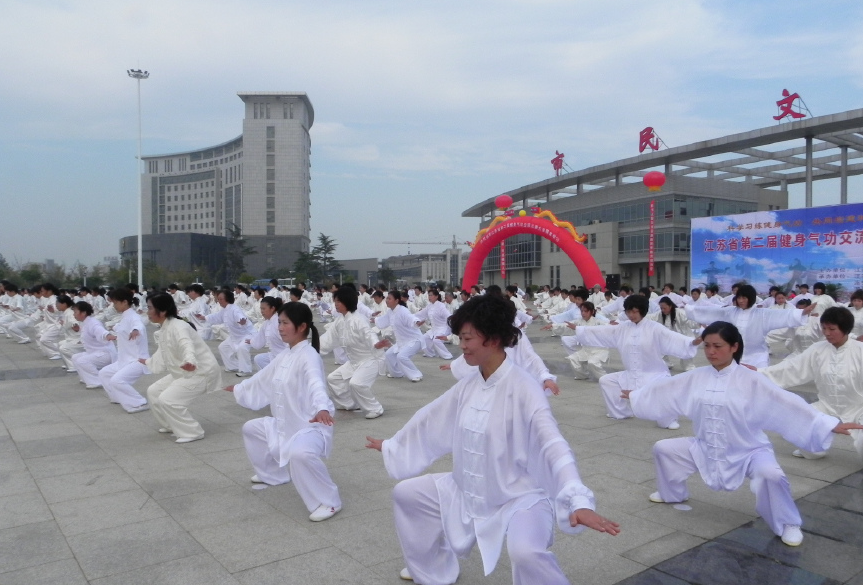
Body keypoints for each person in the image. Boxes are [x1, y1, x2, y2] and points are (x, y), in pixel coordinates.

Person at [366, 294, 619, 584]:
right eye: (460, 338)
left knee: (526, 553)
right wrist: (392, 445)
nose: (461, 346)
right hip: (468, 488)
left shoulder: (524, 389)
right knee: (407, 494)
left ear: (494, 339)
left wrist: (577, 499)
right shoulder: (470, 385)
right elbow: (432, 418)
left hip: (516, 496)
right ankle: (433, 566)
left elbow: (553, 443)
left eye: (467, 338)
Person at [625, 321, 863, 547]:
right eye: (707, 345)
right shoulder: (696, 377)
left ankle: (787, 523)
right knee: (664, 448)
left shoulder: (751, 380)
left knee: (771, 475)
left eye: (717, 346)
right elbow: (666, 388)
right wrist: (637, 395)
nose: (710, 352)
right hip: (706, 447)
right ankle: (672, 493)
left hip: (749, 451)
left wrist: (826, 424)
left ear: (734, 347)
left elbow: (785, 402)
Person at [226, 302, 342, 522]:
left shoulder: (308, 355)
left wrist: (322, 408)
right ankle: (274, 475)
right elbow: (263, 377)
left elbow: (317, 383)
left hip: (310, 427)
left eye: (285, 323)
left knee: (300, 454)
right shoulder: (285, 355)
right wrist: (240, 388)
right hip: (286, 425)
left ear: (301, 326)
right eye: (279, 322)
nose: (280, 327)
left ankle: (330, 502)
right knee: (251, 428)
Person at [570, 295, 700, 429]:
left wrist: (691, 342)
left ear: (642, 311)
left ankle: (667, 419)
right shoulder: (623, 328)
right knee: (606, 381)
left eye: (635, 311)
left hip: (654, 373)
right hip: (631, 373)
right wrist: (580, 330)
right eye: (628, 311)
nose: (631, 315)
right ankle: (621, 412)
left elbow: (672, 338)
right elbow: (603, 332)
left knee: (663, 390)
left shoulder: (654, 328)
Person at [756, 306, 863, 461]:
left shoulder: (860, 351)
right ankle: (814, 449)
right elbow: (791, 368)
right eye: (824, 328)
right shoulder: (818, 349)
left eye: (832, 329)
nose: (826, 333)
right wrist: (758, 373)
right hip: (827, 405)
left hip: (858, 408)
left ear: (845, 329)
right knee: (798, 420)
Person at [141, 293, 222, 443]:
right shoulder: (165, 327)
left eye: (150, 308)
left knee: (168, 399)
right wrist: (147, 361)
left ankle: (192, 432)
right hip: (184, 370)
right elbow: (163, 352)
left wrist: (190, 361)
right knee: (153, 391)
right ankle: (170, 424)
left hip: (200, 372)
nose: (148, 312)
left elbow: (187, 346)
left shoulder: (178, 327)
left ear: (163, 311)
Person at [685, 284, 811, 368]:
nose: (741, 301)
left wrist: (801, 313)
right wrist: (690, 310)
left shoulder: (762, 314)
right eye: (739, 298)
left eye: (744, 298)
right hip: (734, 356)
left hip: (757, 356)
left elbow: (782, 315)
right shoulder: (730, 311)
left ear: (751, 298)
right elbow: (712, 312)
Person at [319, 287, 385, 419]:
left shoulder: (359, 320)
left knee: (356, 383)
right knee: (333, 379)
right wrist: (312, 348)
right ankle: (349, 404)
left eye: (339, 301)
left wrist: (376, 344)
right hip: (354, 362)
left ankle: (375, 408)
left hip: (371, 359)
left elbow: (369, 334)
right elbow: (327, 339)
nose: (336, 304)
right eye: (335, 301)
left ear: (347, 302)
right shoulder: (339, 321)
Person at [98, 288, 150, 413]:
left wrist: (135, 330)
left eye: (115, 303)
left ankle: (140, 403)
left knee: (117, 380)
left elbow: (138, 325)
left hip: (138, 360)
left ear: (125, 302)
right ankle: (117, 397)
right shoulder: (125, 317)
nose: (114, 306)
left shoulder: (133, 316)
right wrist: (114, 328)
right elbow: (122, 328)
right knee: (104, 373)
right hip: (125, 359)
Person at [201, 290, 256, 377]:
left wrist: (241, 321)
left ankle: (246, 370)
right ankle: (233, 366)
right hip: (235, 336)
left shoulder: (234, 309)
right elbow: (216, 317)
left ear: (227, 299)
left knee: (242, 348)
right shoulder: (225, 310)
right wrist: (205, 317)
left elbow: (240, 317)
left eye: (221, 299)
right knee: (223, 347)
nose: (219, 301)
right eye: (218, 299)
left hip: (247, 334)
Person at [374, 290, 424, 382]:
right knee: (389, 354)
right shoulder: (390, 312)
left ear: (396, 301)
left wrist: (417, 322)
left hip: (414, 340)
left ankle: (416, 375)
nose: (387, 300)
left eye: (389, 299)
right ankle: (396, 373)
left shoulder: (403, 310)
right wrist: (374, 320)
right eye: (387, 298)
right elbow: (382, 321)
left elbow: (411, 318)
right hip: (402, 341)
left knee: (401, 356)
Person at [70, 301, 117, 389]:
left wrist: (108, 335)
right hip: (95, 352)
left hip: (105, 354)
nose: (74, 314)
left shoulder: (93, 323)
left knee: (82, 361)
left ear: (83, 313)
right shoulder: (85, 322)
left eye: (75, 312)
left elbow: (100, 331)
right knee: (75, 357)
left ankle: (98, 381)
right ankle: (86, 378)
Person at [649, 296, 700, 371]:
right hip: (668, 338)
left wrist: (699, 322)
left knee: (686, 351)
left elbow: (690, 321)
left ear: (670, 306)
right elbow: (651, 317)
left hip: (683, 336)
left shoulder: (680, 312)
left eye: (664, 308)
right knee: (658, 345)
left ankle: (689, 367)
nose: (663, 310)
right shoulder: (660, 314)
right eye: (661, 308)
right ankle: (666, 363)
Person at [246, 296, 288, 371]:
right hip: (273, 355)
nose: (262, 311)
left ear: (272, 308)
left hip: (284, 356)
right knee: (259, 359)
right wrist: (252, 341)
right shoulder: (266, 323)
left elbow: (288, 343)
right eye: (261, 308)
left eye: (264, 309)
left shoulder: (279, 322)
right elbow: (260, 339)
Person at [413, 289, 453, 359]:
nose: (429, 297)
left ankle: (447, 355)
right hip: (434, 328)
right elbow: (421, 314)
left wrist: (453, 327)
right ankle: (430, 353)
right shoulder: (429, 306)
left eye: (431, 295)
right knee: (423, 338)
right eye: (429, 295)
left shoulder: (441, 306)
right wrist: (411, 317)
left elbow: (448, 316)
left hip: (443, 328)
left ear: (436, 296)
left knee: (436, 340)